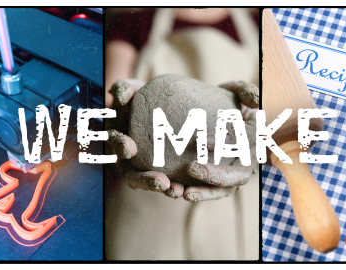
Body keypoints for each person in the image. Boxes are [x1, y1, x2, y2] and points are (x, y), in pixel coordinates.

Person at [104, 8, 260, 260]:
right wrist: (114, 116)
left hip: (236, 215)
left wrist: (261, 136)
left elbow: (295, 120)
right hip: (147, 214)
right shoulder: (132, 22)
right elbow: (108, 104)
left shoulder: (262, 22)